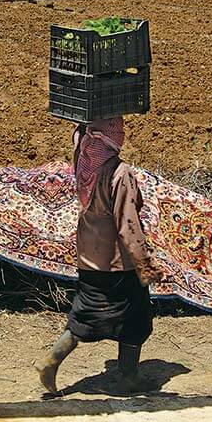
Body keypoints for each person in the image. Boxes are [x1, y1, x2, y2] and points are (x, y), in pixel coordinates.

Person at [37, 117, 166, 395]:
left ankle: (52, 360)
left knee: (85, 314)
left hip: (88, 258)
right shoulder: (120, 174)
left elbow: (78, 138)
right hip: (118, 263)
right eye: (117, 130)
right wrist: (144, 263)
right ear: (111, 138)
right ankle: (129, 377)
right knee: (137, 317)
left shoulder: (83, 165)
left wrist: (83, 124)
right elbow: (127, 224)